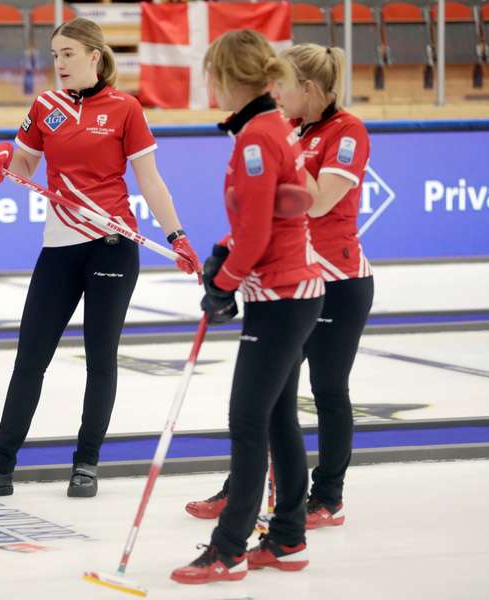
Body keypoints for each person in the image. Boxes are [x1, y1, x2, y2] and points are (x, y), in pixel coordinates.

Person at [0, 17, 201, 500]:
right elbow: (24, 166)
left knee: (100, 359)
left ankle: (86, 464)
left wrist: (177, 235)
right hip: (60, 248)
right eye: (54, 55)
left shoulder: (125, 108)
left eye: (68, 53)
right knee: (31, 358)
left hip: (112, 244)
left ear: (94, 55)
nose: (59, 63)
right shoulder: (45, 106)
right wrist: (6, 156)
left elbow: (149, 179)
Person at [184, 43, 373, 531]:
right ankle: (243, 491)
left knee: (328, 391)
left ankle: (327, 496)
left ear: (308, 89)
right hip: (290, 284)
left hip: (339, 280)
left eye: (284, 87)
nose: (277, 96)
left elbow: (318, 203)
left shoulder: (345, 130)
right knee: (267, 400)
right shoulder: (286, 131)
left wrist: (281, 157)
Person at [170, 30, 324, 585]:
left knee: (247, 419)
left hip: (283, 294)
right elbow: (260, 223)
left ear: (229, 77)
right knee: (277, 416)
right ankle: (286, 538)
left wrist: (224, 282)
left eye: (211, 73)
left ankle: (229, 548)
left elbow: (259, 231)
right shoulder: (269, 126)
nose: (207, 83)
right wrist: (223, 253)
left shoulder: (257, 137)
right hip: (285, 291)